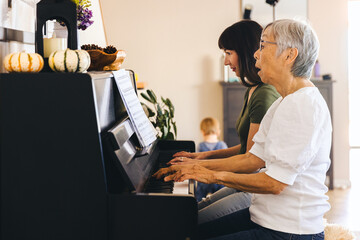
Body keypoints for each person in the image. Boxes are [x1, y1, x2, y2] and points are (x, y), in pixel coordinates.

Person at [154, 19, 331, 240]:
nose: (256, 54)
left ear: (289, 55)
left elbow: (275, 183)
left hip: (289, 231)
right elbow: (252, 159)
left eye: (263, 46)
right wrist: (197, 164)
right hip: (264, 218)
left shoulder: (302, 106)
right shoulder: (283, 102)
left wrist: (210, 175)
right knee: (186, 230)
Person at [171, 20, 280, 224]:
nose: (225, 62)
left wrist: (198, 166)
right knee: (191, 211)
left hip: (255, 189)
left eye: (229, 53)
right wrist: (202, 156)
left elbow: (250, 161)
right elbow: (248, 148)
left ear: (247, 52)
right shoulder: (253, 91)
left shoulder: (265, 94)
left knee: (190, 223)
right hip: (242, 182)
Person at [196, 117, 228, 201]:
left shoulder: (200, 146)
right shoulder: (222, 145)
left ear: (202, 132)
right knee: (221, 198)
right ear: (218, 132)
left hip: (203, 179)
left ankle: (195, 208)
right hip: (219, 179)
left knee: (198, 195)